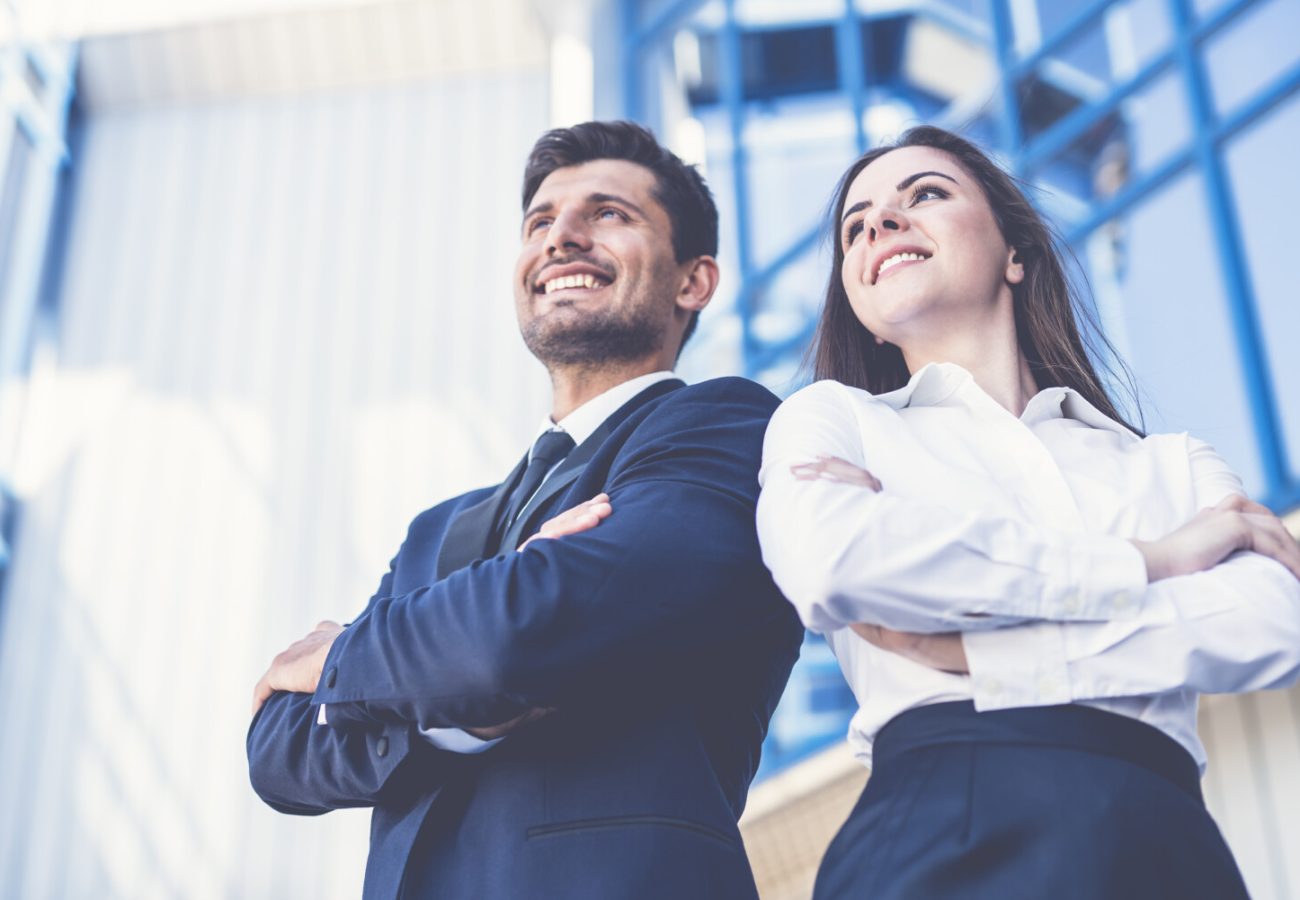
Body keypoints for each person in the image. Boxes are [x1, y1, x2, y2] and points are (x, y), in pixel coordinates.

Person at [246, 120, 803, 900]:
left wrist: (351, 658)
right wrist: (470, 710)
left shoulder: (727, 428)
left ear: (693, 281)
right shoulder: (437, 530)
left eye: (609, 213)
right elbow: (280, 754)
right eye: (540, 222)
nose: (561, 238)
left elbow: (527, 629)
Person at [755, 125, 1300, 899]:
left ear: (1015, 254)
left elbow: (1273, 619)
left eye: (927, 195)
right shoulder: (832, 421)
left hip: (1163, 838)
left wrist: (990, 656)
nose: (880, 224)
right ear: (863, 307)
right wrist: (1157, 561)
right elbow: (833, 563)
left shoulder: (1167, 460)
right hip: (939, 828)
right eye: (857, 224)